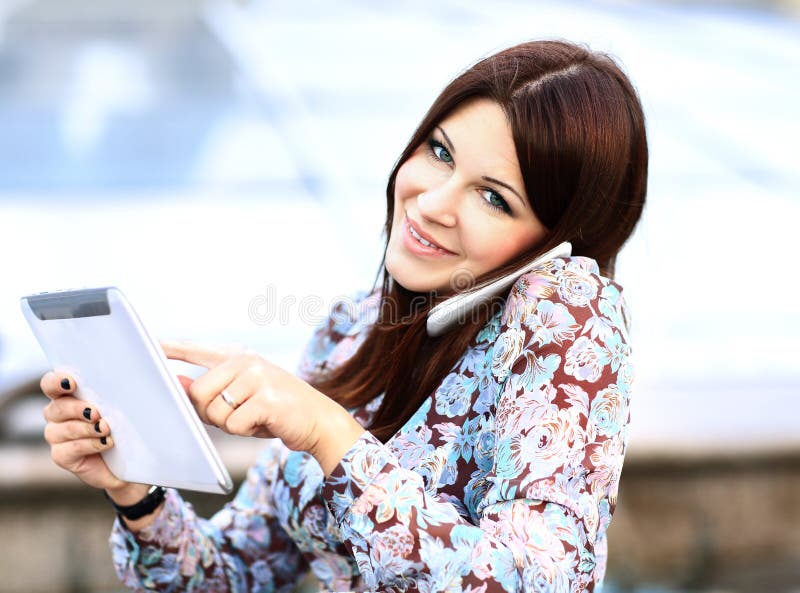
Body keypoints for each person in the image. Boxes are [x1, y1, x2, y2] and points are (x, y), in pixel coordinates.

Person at [39, 39, 647, 592]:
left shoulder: (566, 314)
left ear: (559, 239)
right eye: (439, 152)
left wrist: (330, 434)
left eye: (493, 197)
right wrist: (134, 489)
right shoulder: (352, 328)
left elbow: (542, 582)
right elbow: (233, 574)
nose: (431, 203)